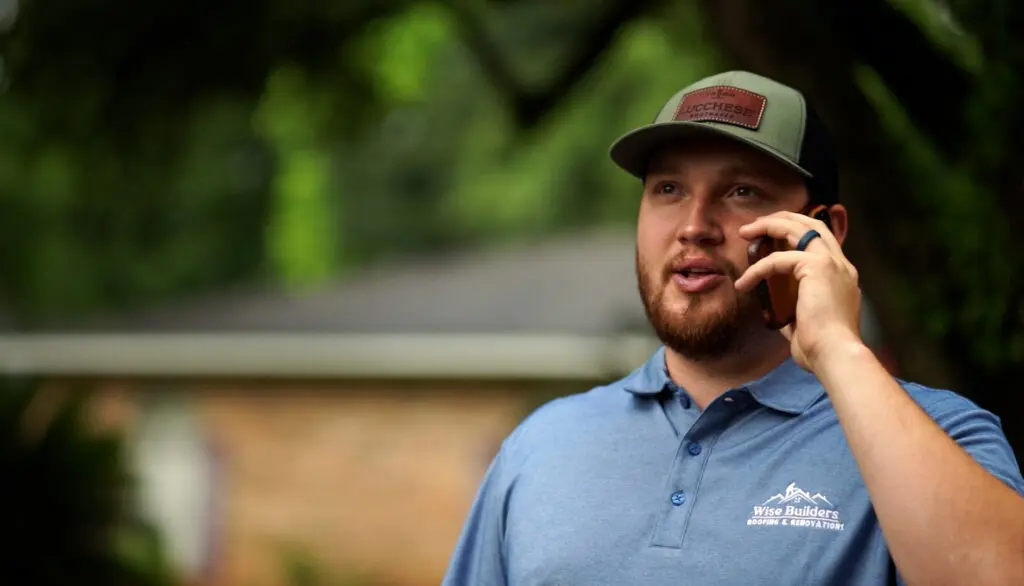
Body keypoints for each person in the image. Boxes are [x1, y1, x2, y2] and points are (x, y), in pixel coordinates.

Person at [441, 71, 1024, 585]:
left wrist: (838, 349)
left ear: (824, 232)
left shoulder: (944, 437)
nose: (694, 226)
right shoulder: (540, 446)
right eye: (668, 189)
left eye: (742, 191)